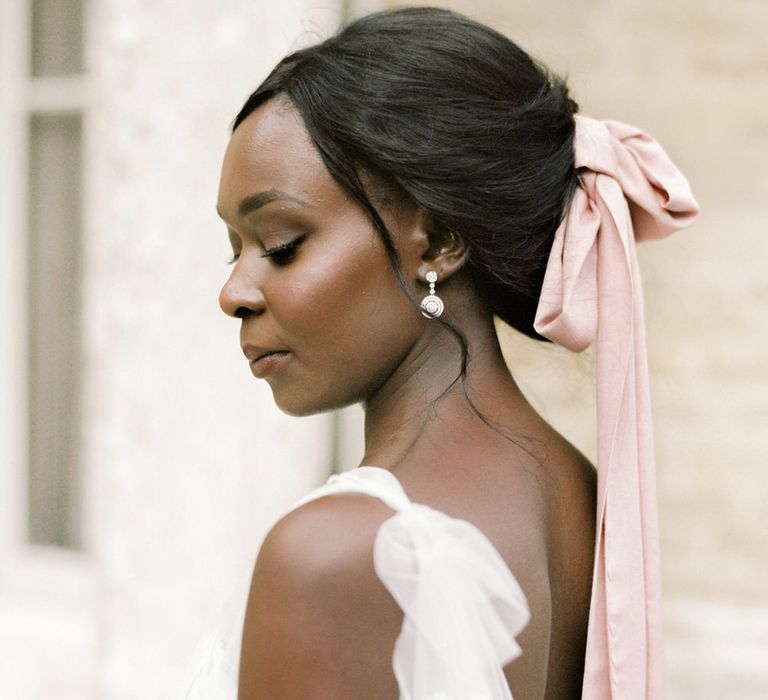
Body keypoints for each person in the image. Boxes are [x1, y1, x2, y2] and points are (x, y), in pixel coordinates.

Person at [185, 7, 699, 699]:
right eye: (233, 249)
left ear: (436, 241)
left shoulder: (333, 555)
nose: (234, 291)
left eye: (280, 244)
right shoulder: (580, 498)